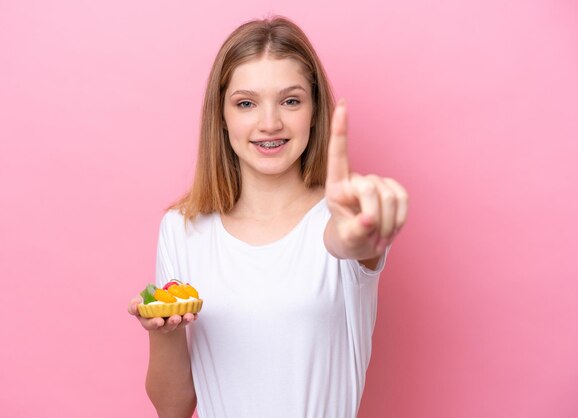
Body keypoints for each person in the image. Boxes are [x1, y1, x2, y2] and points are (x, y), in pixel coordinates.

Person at [128, 15, 408, 418]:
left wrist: (359, 237)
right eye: (246, 103)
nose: (270, 123)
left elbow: (349, 243)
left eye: (291, 100)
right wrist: (162, 331)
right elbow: (173, 408)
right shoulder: (182, 228)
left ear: (314, 110)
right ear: (221, 117)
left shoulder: (341, 222)